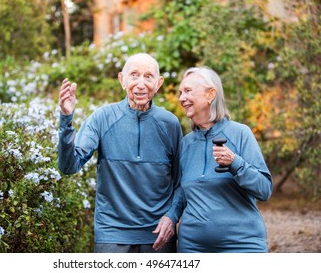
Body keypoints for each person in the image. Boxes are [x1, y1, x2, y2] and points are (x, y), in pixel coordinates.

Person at [58, 53, 183, 253]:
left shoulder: (170, 124)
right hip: (112, 234)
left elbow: (180, 182)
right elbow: (69, 165)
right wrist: (66, 118)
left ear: (158, 83)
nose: (141, 84)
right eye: (134, 75)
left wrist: (172, 216)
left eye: (148, 77)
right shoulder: (102, 118)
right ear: (122, 80)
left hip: (159, 235)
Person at [177, 66, 273, 252]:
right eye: (180, 92)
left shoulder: (240, 134)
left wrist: (235, 163)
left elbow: (264, 189)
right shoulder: (185, 143)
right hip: (193, 247)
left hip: (242, 244)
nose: (181, 98)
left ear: (210, 94)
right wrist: (169, 218)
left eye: (188, 91)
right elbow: (181, 194)